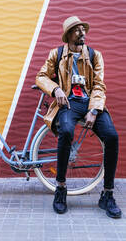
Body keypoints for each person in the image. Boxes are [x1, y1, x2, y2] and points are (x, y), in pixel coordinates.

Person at [36, 16, 121, 218]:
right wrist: (55, 89)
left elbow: (99, 85)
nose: (83, 33)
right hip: (68, 103)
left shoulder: (94, 55)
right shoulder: (56, 54)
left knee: (112, 137)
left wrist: (94, 110)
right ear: (68, 35)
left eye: (84, 30)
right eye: (77, 30)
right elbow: (41, 76)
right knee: (65, 131)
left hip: (91, 102)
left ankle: (107, 194)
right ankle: (61, 189)